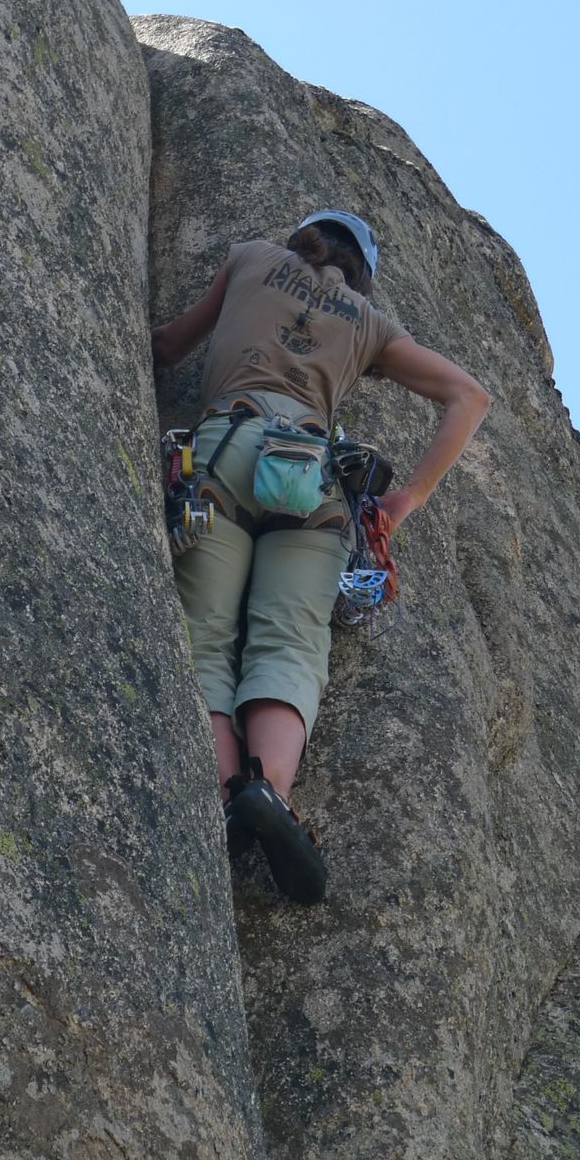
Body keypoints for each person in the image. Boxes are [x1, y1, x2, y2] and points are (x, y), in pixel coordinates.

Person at [151, 211, 490, 904]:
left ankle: (222, 793)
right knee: (291, 642)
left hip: (221, 453)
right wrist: (406, 499)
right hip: (309, 477)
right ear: (363, 273)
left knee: (205, 636)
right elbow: (470, 396)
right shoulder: (369, 322)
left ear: (301, 238)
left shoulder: (248, 257)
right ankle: (269, 794)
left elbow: (169, 345)